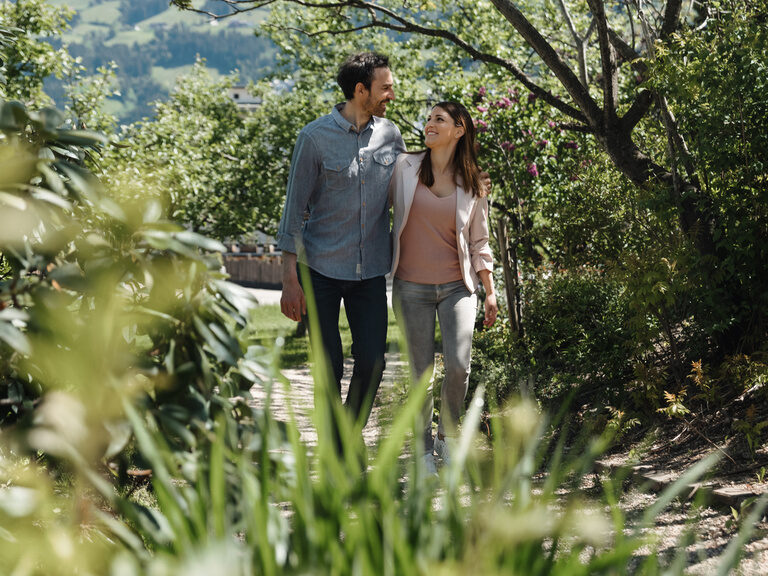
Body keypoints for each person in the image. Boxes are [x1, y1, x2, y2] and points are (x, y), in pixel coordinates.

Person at [276, 52, 405, 449]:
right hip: (321, 270)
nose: (391, 94)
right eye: (385, 87)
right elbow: (293, 211)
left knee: (373, 361)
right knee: (328, 366)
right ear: (360, 90)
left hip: (370, 272)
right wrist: (289, 280)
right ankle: (340, 452)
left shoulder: (391, 135)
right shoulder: (313, 138)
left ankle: (346, 437)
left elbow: (410, 191)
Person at [389, 101, 497, 473]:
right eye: (429, 119)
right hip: (410, 287)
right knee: (420, 374)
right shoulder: (404, 168)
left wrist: (490, 288)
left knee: (459, 366)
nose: (430, 124)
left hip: (457, 288)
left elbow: (480, 241)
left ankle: (446, 438)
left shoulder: (473, 182)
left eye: (440, 119)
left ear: (459, 130)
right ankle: (421, 453)